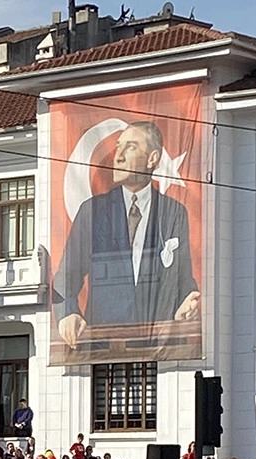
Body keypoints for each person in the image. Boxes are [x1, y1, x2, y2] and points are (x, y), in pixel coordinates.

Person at [53, 121, 199, 348]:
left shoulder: (174, 212)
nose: (117, 156)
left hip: (158, 346)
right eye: (118, 146)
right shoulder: (93, 211)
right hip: (104, 348)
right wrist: (67, 313)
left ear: (152, 158)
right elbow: (66, 276)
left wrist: (186, 302)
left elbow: (182, 277)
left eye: (130, 147)